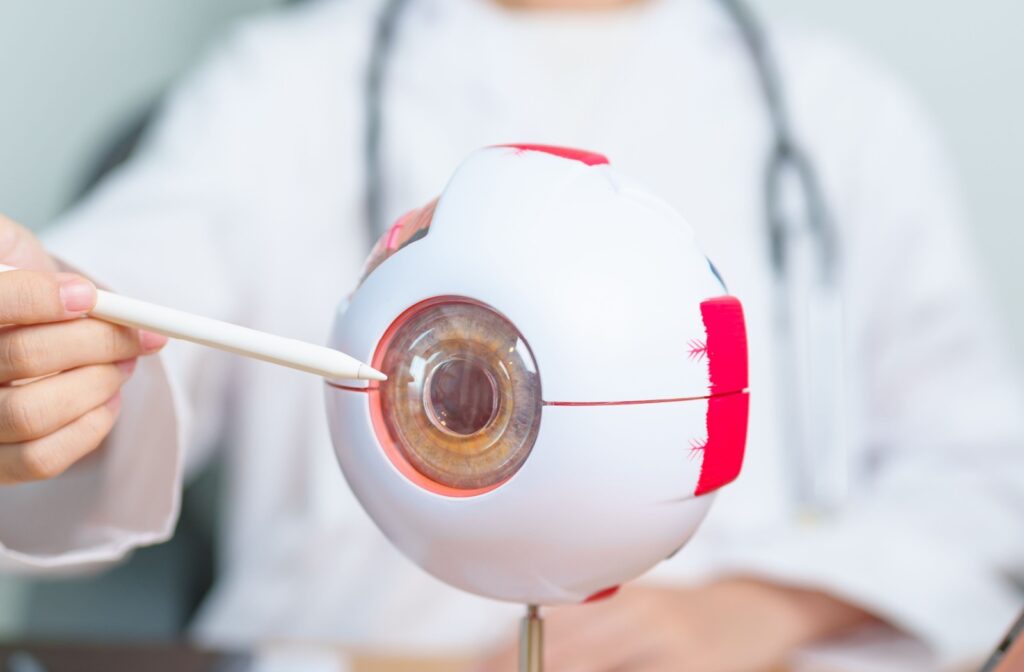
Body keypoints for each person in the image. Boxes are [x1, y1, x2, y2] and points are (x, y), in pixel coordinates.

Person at [1, 0, 1022, 669]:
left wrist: (764, 609)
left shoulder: (838, 113)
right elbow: (130, 284)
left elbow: (976, 477)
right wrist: (55, 349)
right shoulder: (281, 88)